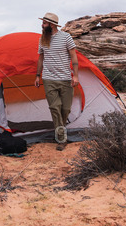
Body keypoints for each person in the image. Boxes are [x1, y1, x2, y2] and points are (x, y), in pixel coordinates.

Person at [34, 13, 79, 151]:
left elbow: (74, 57)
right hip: (49, 79)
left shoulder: (66, 37)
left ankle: (60, 130)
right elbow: (41, 59)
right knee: (55, 107)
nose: (42, 25)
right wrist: (37, 75)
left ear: (51, 24)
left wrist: (75, 76)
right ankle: (61, 139)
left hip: (65, 79)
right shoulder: (42, 40)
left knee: (65, 109)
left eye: (44, 23)